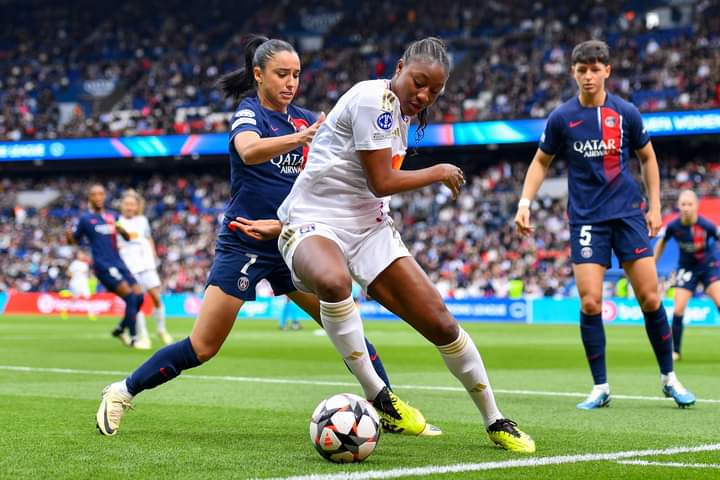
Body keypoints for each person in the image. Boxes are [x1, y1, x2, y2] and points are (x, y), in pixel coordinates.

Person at [95, 36, 423, 437]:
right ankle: (122, 391)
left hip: (295, 240)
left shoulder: (308, 119)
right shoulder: (249, 114)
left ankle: (389, 408)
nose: (291, 83)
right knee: (203, 346)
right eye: (281, 74)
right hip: (245, 241)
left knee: (342, 318)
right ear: (258, 74)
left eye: (297, 75)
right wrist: (300, 139)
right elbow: (249, 151)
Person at [234, 36, 535, 452]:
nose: (424, 95)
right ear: (399, 68)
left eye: (435, 91)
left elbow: (374, 191)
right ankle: (380, 396)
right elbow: (382, 180)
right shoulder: (372, 99)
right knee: (335, 283)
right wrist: (439, 170)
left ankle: (495, 419)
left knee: (442, 325)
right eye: (418, 83)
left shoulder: (401, 113)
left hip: (371, 229)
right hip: (314, 221)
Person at [514, 40, 695, 409]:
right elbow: (539, 162)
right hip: (587, 219)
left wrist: (655, 206)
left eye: (595, 69)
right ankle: (600, 387)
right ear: (573, 73)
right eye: (582, 70)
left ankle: (669, 378)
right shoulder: (562, 118)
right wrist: (524, 202)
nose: (589, 76)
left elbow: (648, 158)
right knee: (591, 302)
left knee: (649, 297)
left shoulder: (626, 113)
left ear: (607, 71)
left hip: (628, 214)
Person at [66, 184, 145, 346]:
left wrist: (123, 232)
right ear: (90, 198)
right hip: (103, 265)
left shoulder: (112, 216)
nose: (99, 197)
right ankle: (134, 338)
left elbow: (126, 236)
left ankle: (120, 328)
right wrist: (68, 236)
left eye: (101, 194)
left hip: (119, 262)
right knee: (130, 297)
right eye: (95, 194)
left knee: (140, 297)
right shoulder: (86, 219)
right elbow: (75, 240)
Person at [653, 189, 720, 360]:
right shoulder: (674, 226)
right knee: (679, 308)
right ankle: (676, 351)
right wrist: (652, 263)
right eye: (683, 204)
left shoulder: (707, 225)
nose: (686, 208)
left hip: (708, 267)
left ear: (696, 206)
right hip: (686, 269)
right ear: (678, 206)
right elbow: (662, 242)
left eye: (689, 204)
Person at [117, 190, 173, 348]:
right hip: (130, 267)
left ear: (136, 207)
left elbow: (148, 239)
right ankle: (144, 336)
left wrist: (154, 256)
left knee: (156, 298)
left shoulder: (142, 220)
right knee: (137, 301)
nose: (129, 207)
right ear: (122, 206)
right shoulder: (117, 222)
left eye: (132, 204)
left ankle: (161, 330)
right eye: (126, 204)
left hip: (147, 265)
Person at [66, 250, 96, 321]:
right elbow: (69, 273)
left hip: (83, 283)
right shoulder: (74, 264)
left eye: (82, 254)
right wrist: (73, 275)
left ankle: (91, 313)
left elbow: (86, 274)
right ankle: (68, 311)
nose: (81, 256)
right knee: (74, 298)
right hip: (75, 283)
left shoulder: (85, 264)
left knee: (88, 297)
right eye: (80, 254)